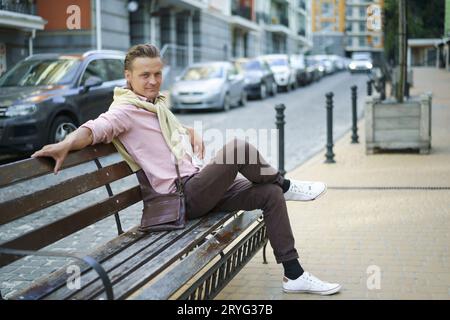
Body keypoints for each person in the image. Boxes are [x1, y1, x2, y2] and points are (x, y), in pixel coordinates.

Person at [32, 44, 341, 296]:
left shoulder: (156, 108)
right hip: (182, 198)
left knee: (269, 194)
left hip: (198, 186)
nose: (152, 81)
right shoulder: (124, 111)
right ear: (128, 77)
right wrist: (65, 144)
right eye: (144, 76)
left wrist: (186, 128)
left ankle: (294, 273)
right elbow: (95, 128)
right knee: (238, 148)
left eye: (157, 74)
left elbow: (163, 131)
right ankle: (287, 184)